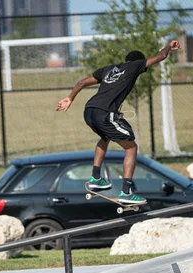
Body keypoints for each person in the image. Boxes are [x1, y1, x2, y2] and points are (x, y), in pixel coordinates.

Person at [56, 40, 182, 205]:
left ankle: (95, 178)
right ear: (138, 62)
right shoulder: (135, 66)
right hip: (105, 112)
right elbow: (160, 56)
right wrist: (168, 47)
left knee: (105, 137)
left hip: (89, 110)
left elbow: (81, 83)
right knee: (131, 147)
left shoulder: (107, 70)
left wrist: (69, 98)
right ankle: (127, 192)